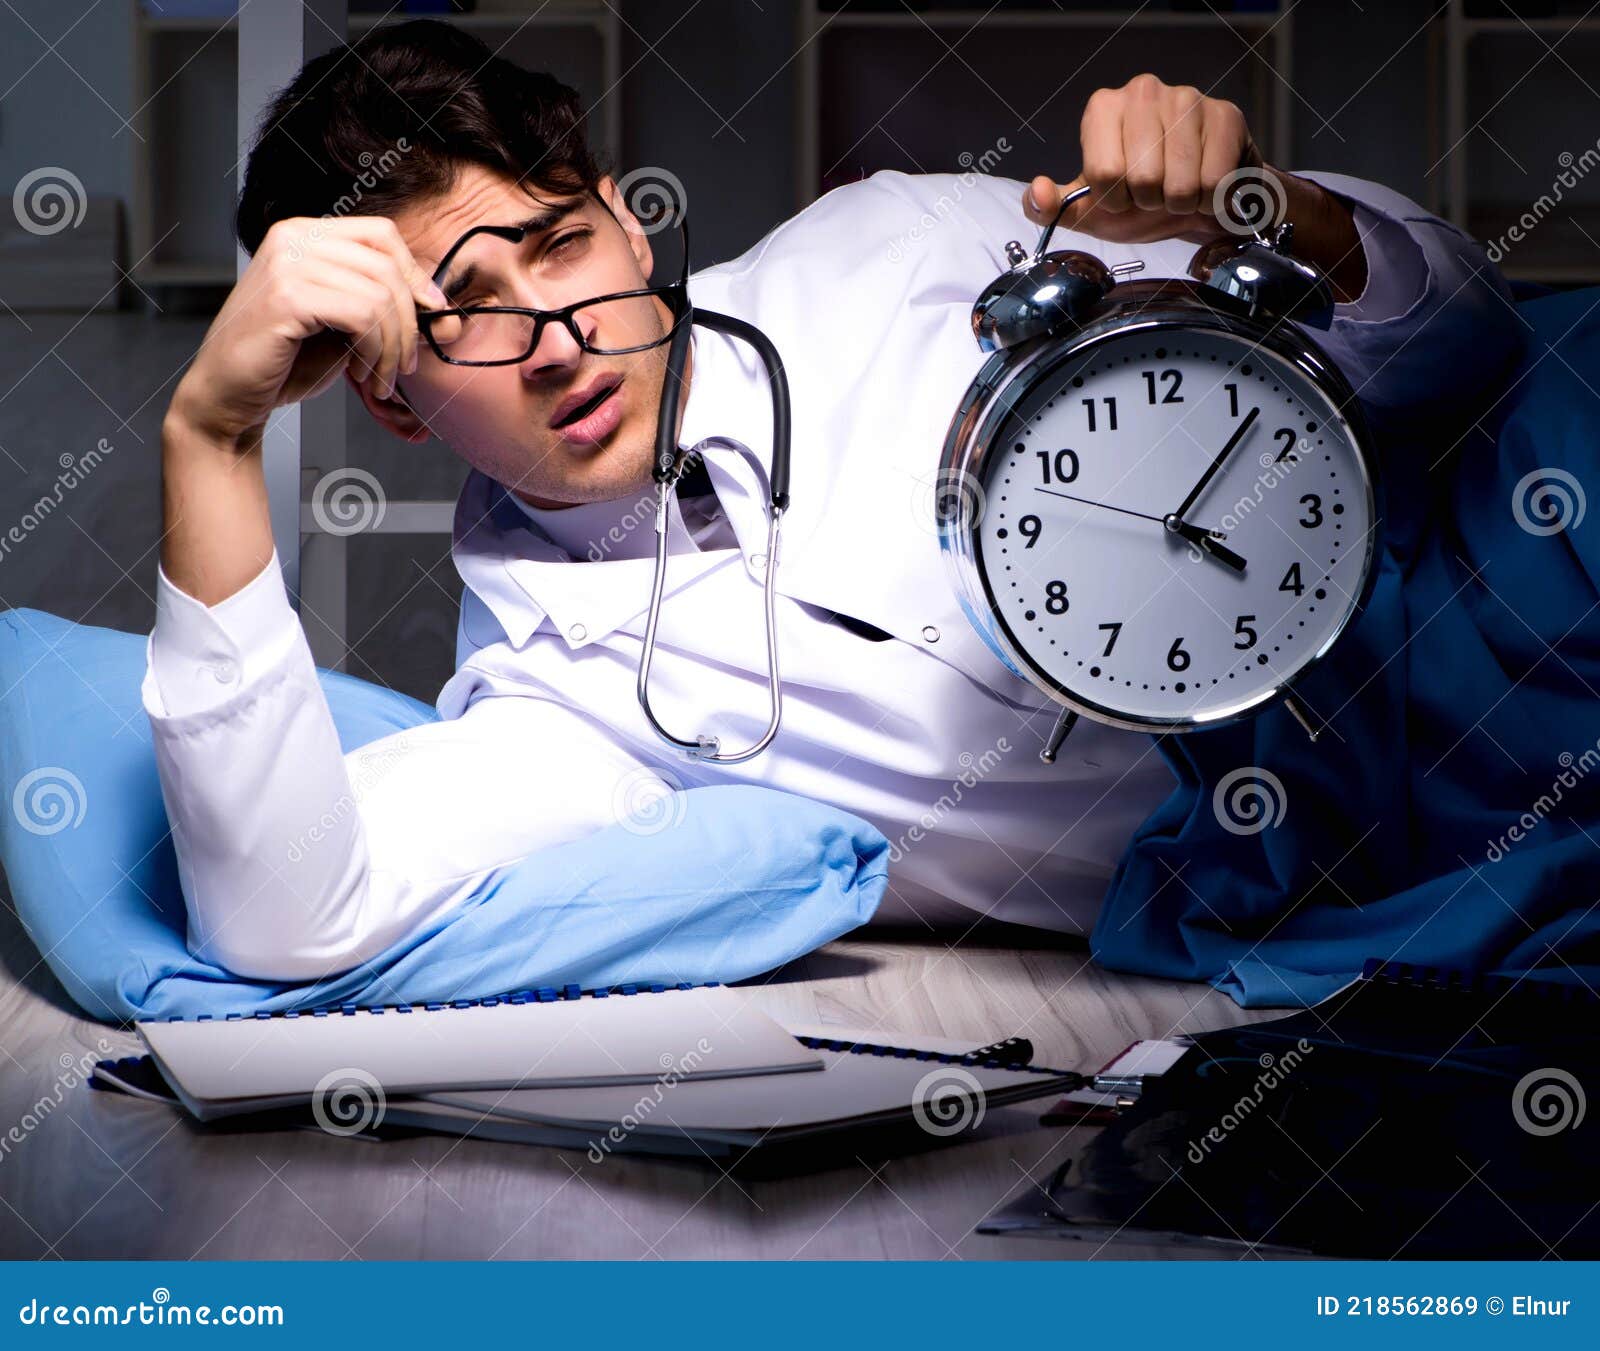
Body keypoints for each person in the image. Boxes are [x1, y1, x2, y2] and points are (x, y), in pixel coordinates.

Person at [145, 21, 1520, 980]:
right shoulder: (548, 711)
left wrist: (1265, 207)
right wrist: (209, 435)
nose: (556, 338)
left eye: (560, 246)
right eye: (467, 315)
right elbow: (279, 921)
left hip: (1491, 583)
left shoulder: (890, 246)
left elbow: (1465, 347)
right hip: (1400, 868)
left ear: (629, 224)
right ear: (388, 397)